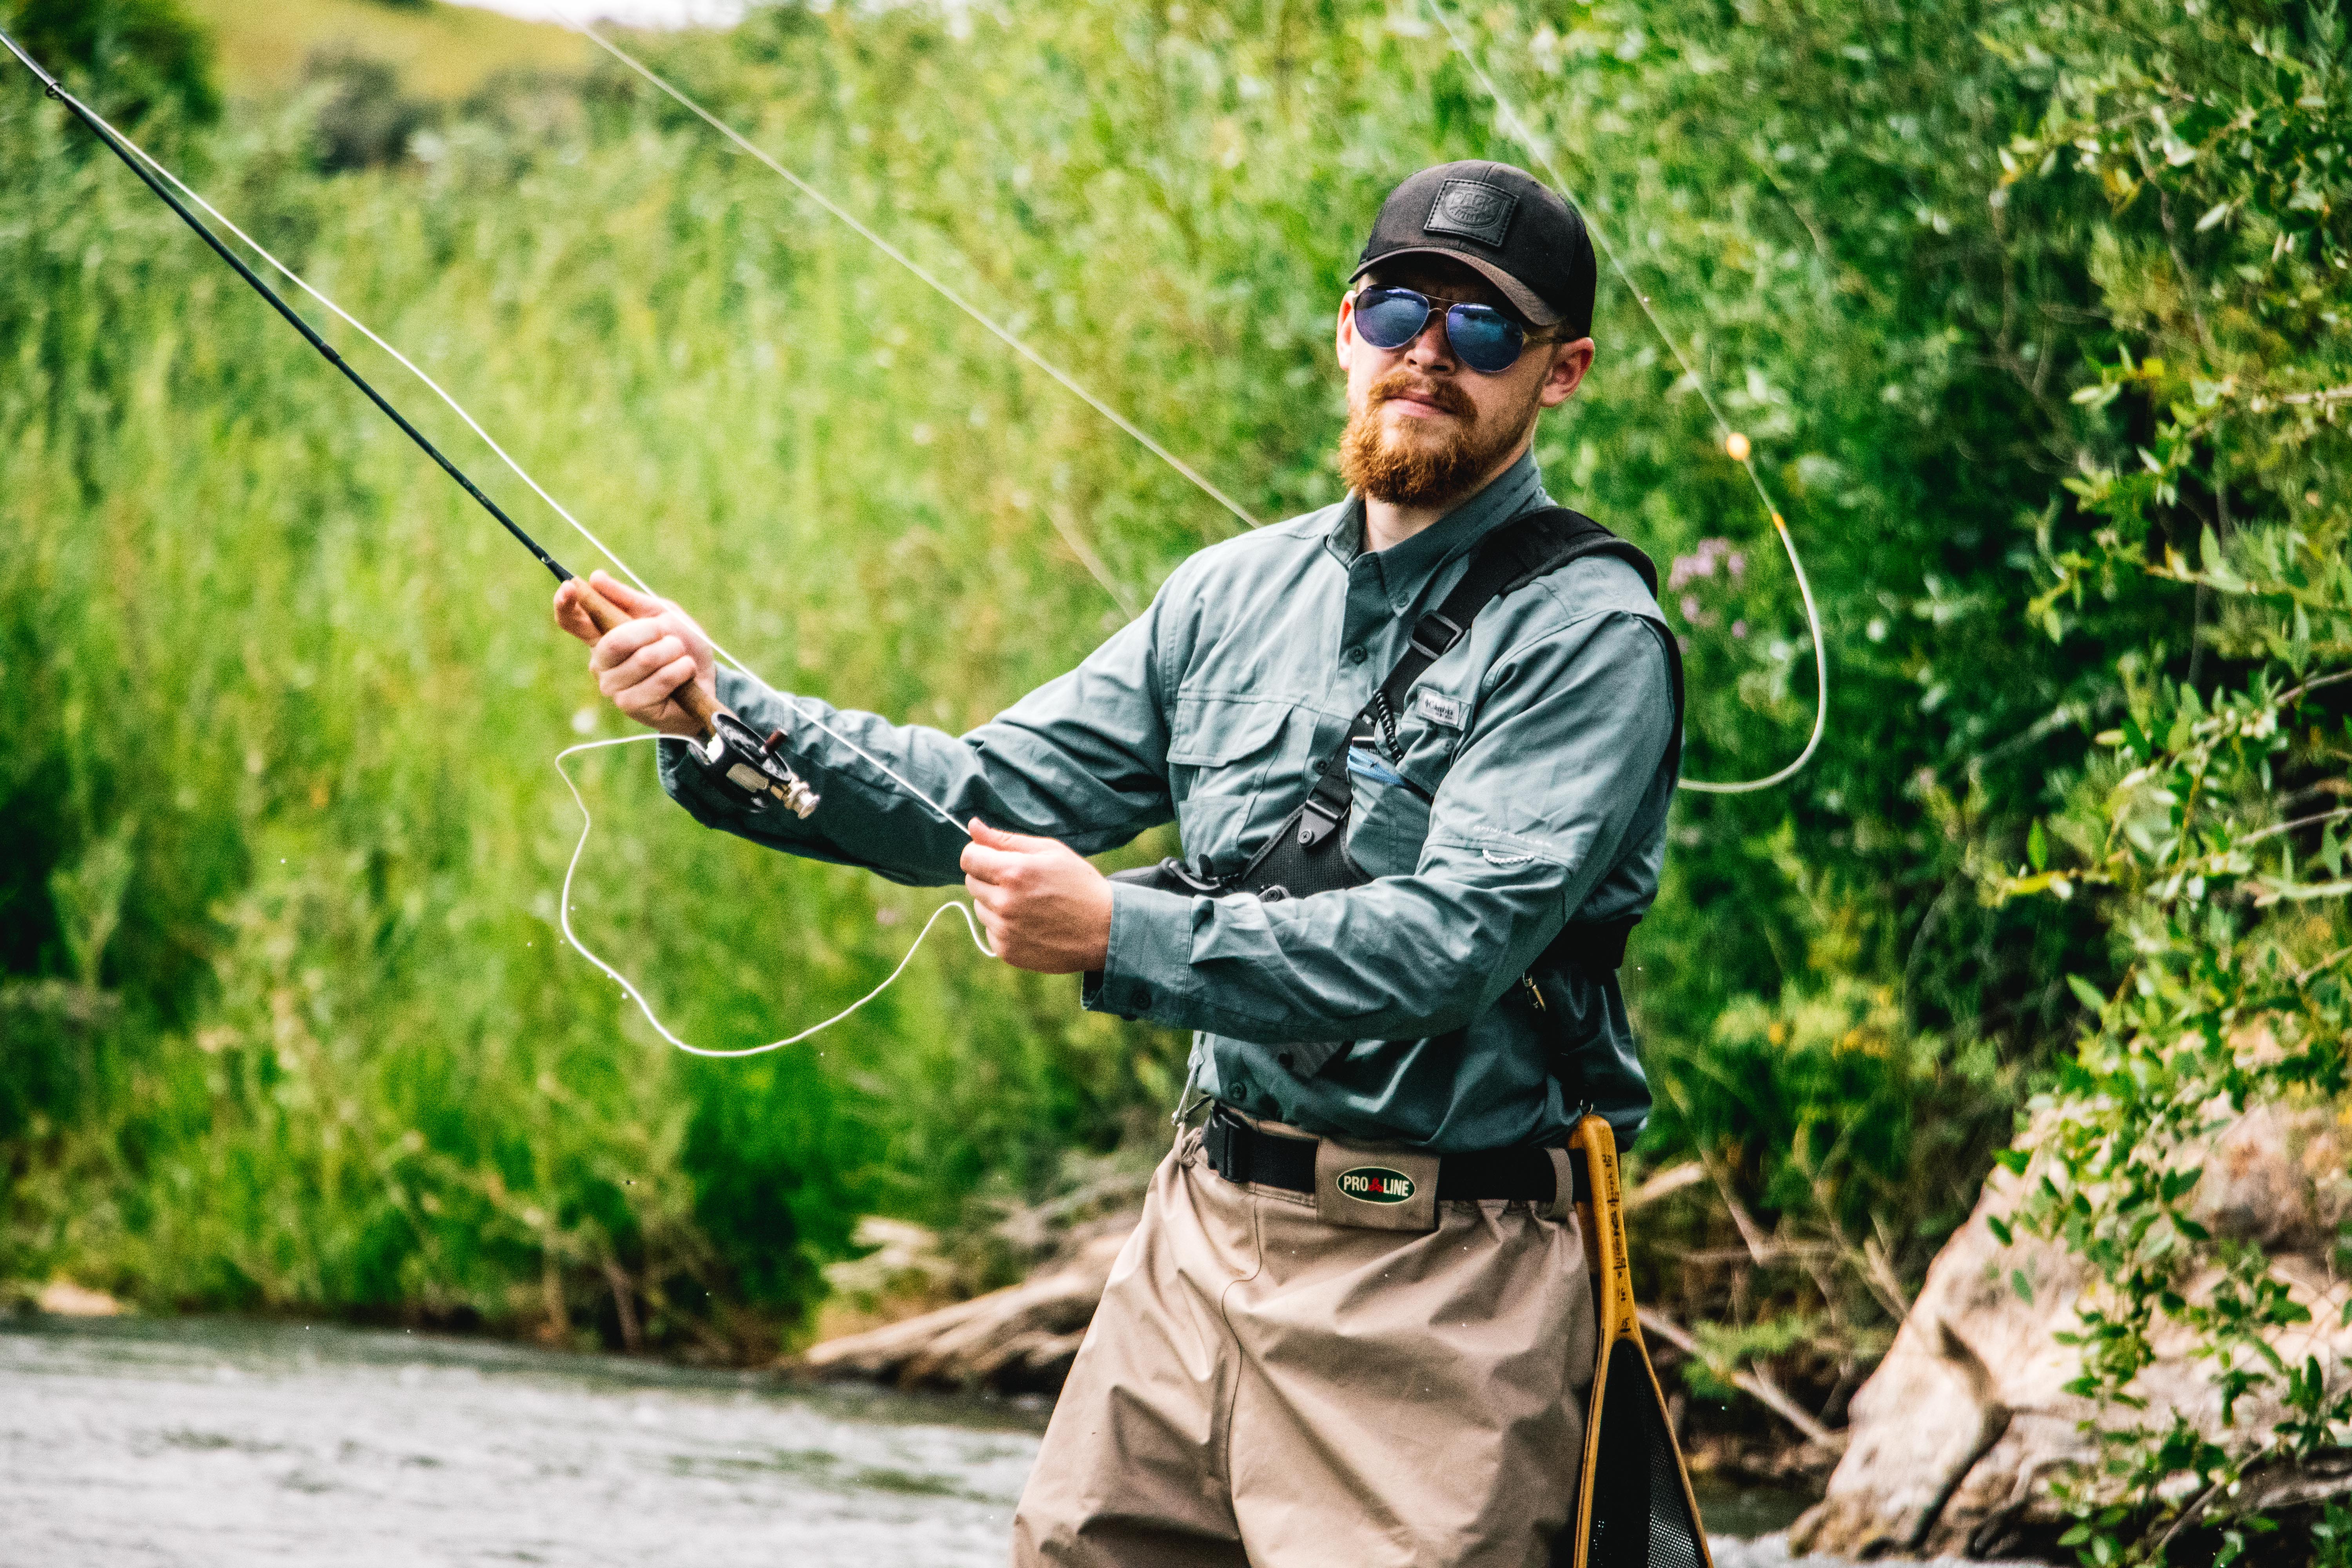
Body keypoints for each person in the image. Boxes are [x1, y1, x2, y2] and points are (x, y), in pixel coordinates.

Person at [557, 160, 1680, 1568]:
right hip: (1196, 1246)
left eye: (1483, 332)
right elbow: (971, 790)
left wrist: (1118, 934)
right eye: (1401, 308)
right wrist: (726, 709)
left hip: (1448, 1288)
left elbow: (1450, 947)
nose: (1426, 356)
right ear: (1347, 326)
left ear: (1559, 373)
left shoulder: (1593, 638)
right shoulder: (1224, 596)